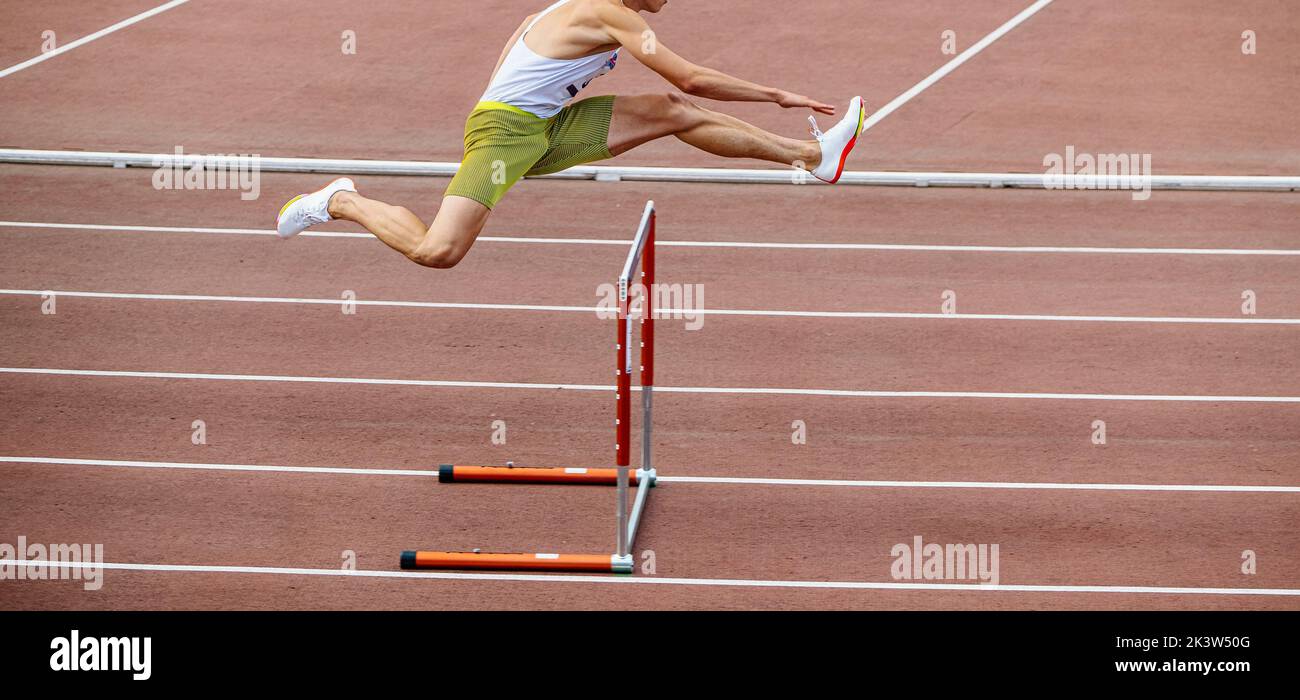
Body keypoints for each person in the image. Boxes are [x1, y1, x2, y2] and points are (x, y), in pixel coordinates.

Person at [276, 0, 864, 268]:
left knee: (669, 109)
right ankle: (340, 200)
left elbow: (515, 46)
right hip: (506, 134)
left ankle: (813, 155)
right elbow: (691, 75)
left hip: (544, 123)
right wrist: (777, 93)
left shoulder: (568, 11)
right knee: (439, 252)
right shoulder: (608, 13)